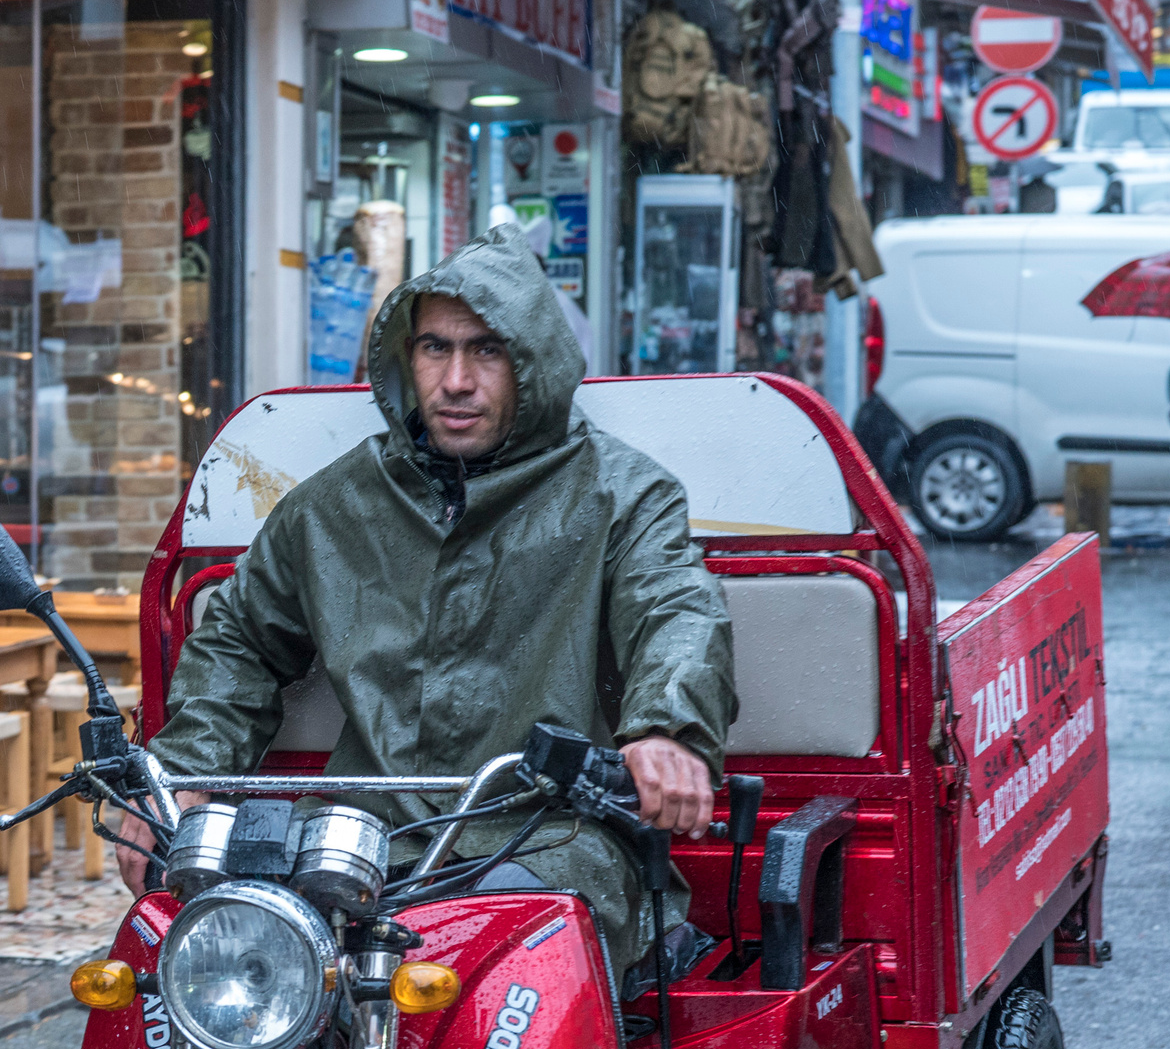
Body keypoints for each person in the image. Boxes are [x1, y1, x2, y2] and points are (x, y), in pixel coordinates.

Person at [117, 225, 736, 969]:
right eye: (436, 347)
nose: (457, 380)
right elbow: (240, 638)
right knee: (223, 950)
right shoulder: (335, 504)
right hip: (355, 834)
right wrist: (186, 774)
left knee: (502, 954)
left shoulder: (624, 494)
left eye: (488, 349)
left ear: (533, 361)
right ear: (405, 359)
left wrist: (665, 728)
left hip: (547, 833)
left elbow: (674, 606)